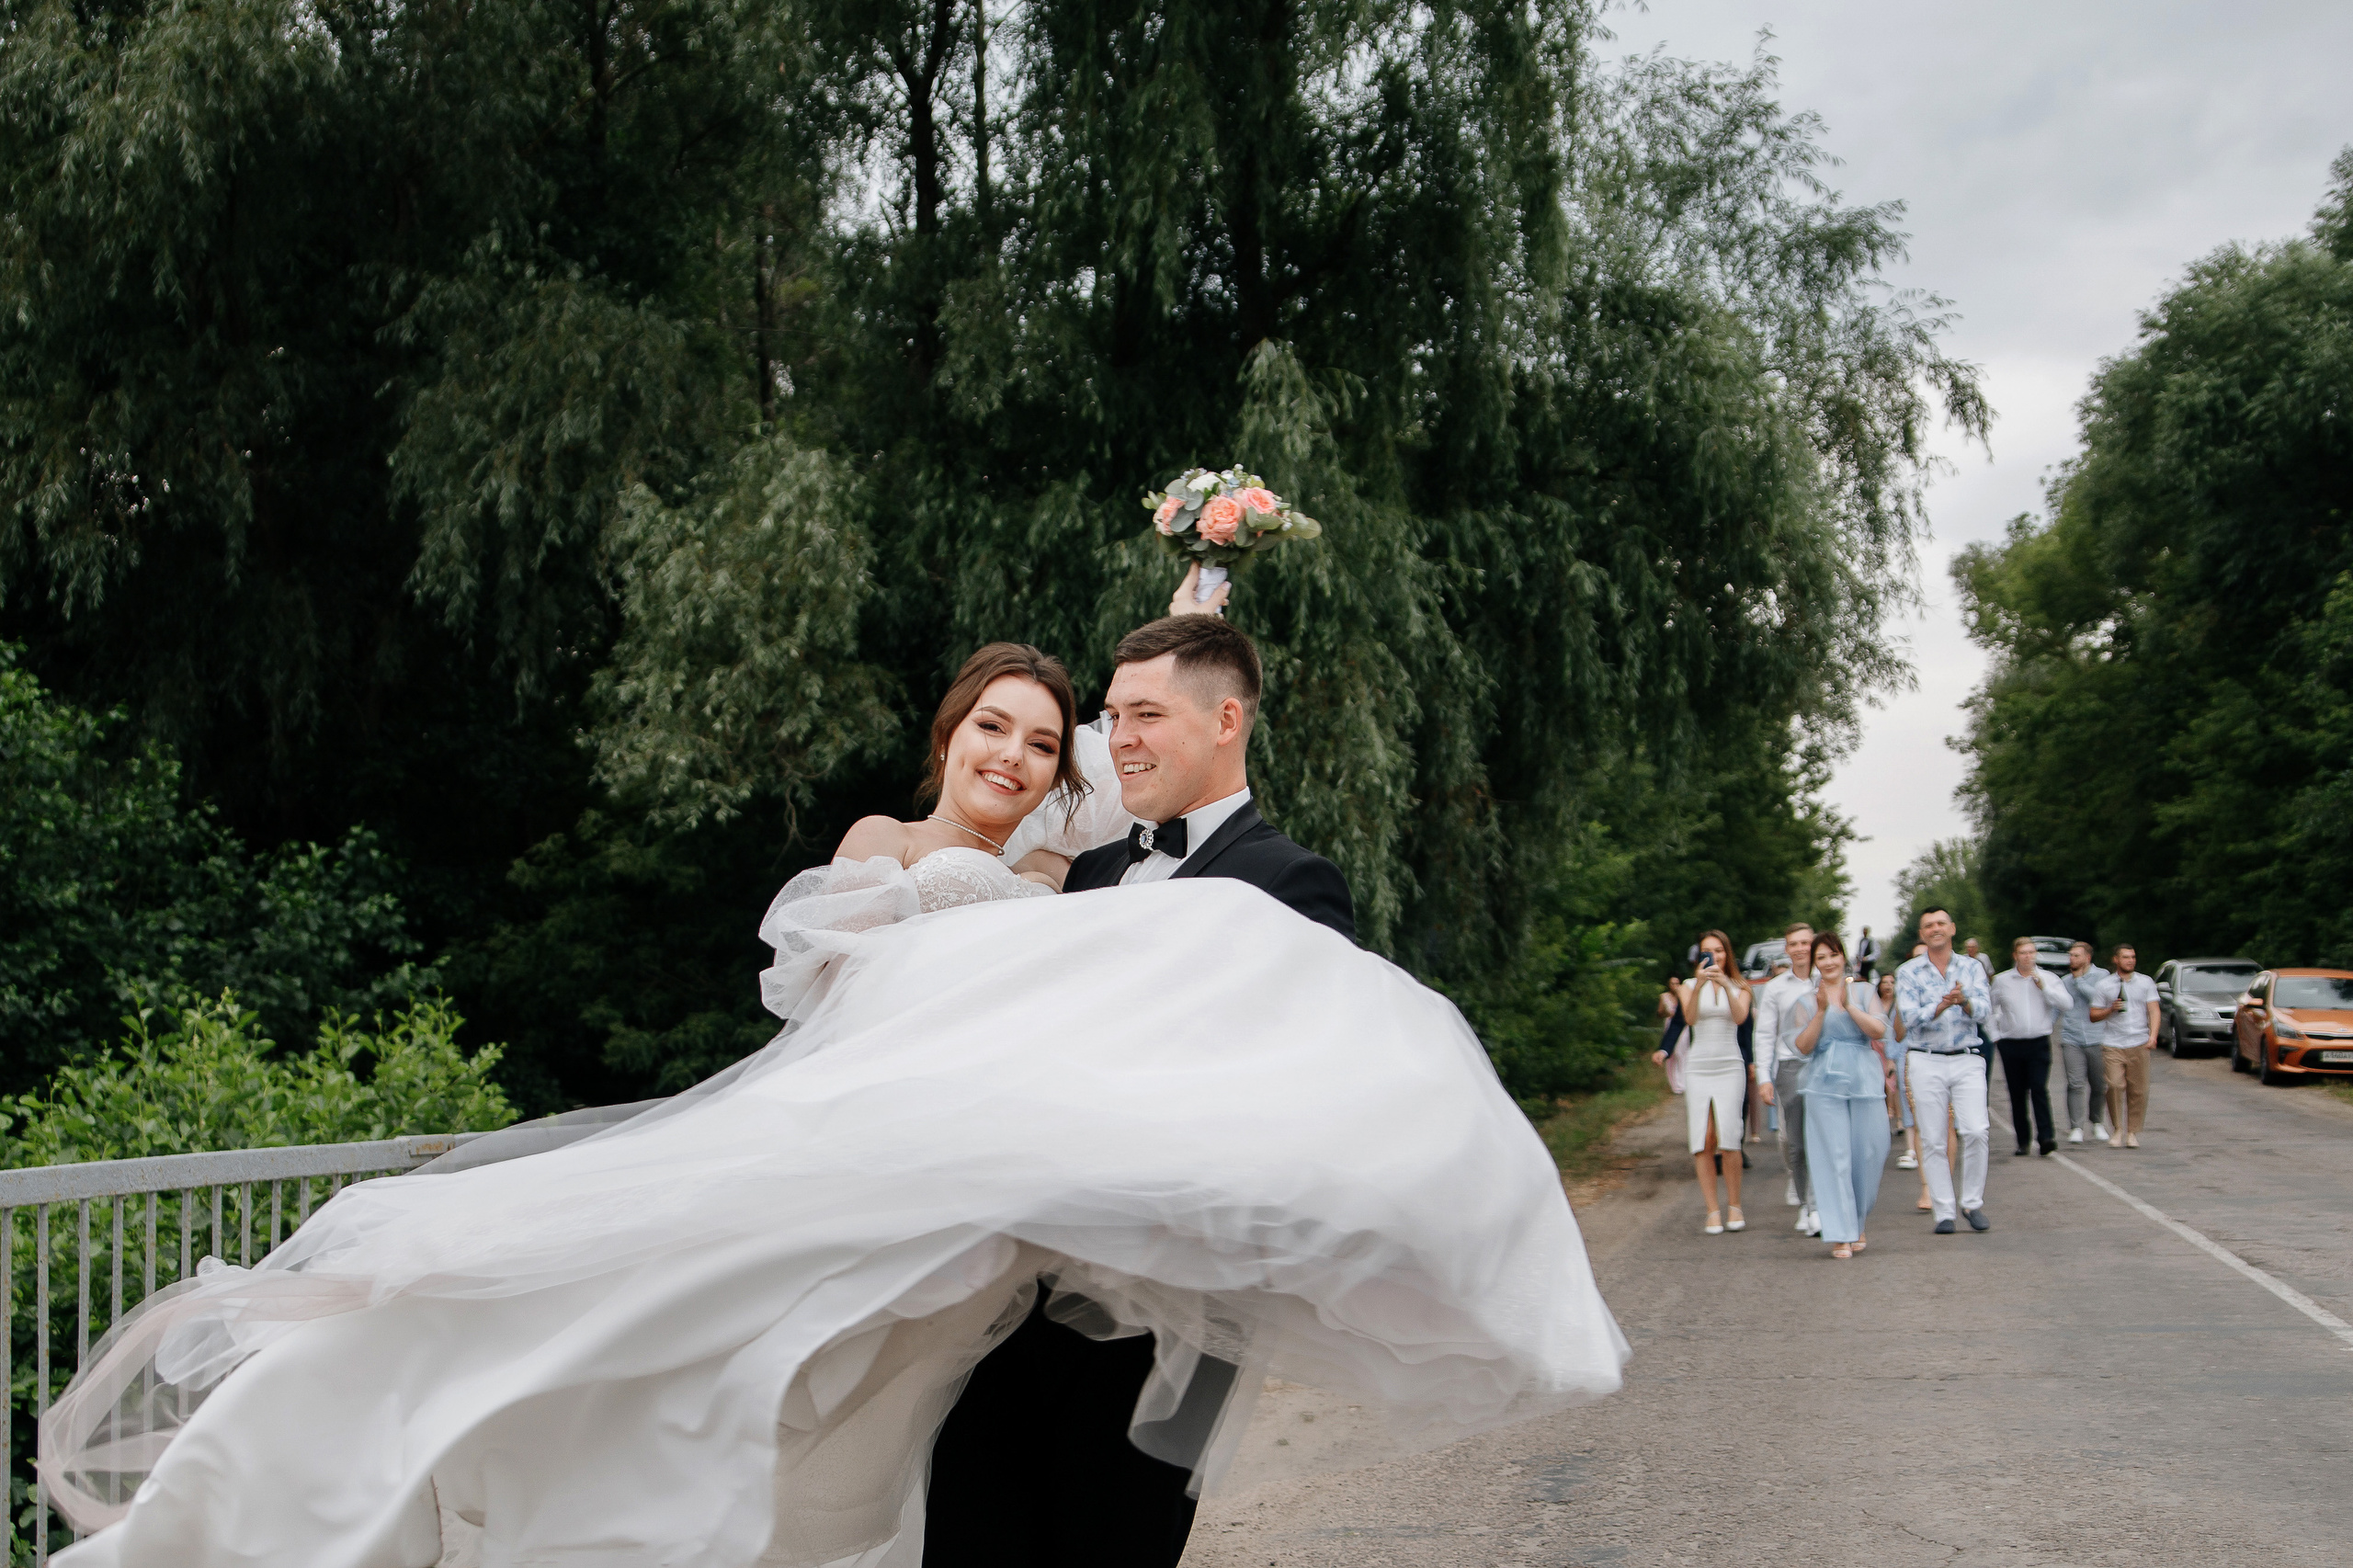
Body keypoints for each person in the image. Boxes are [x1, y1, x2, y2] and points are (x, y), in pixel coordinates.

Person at [40, 626, 1631, 1568]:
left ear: (1210, 726)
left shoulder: (1133, 881)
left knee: (885, 1463)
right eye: (1001, 728)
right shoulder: (899, 856)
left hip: (1045, 1262)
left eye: (1063, 733)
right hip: (884, 1183)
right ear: (951, 737)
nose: (1033, 752)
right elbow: (839, 1011)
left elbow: (1226, 1053)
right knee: (622, 1338)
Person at [926, 612, 1352, 1562]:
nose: (1117, 738)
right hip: (1009, 1292)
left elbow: (1297, 1101)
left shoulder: (1291, 882)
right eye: (1113, 713)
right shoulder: (1087, 872)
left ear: (1225, 720)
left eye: (1146, 714)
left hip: (1166, 1312)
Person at [1787, 933, 1893, 1260]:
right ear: (1814, 963)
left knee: (1870, 1152)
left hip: (1864, 1079)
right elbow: (1802, 1047)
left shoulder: (1862, 990)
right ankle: (1840, 1232)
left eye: (1833, 955)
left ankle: (1857, 1222)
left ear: (1843, 957)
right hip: (1823, 1084)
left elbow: (1878, 1030)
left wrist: (1848, 1005)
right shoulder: (1805, 1002)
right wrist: (1821, 1012)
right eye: (1821, 958)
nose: (1828, 962)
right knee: (1834, 1156)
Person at [1895, 906, 1993, 1234]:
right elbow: (1908, 1018)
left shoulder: (1972, 967)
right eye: (1928, 926)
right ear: (1922, 934)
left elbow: (1984, 1010)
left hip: (1966, 1056)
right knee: (1933, 1137)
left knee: (1976, 1129)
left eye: (1940, 923)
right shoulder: (1908, 972)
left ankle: (1972, 1202)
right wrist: (1940, 1005)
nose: (1935, 929)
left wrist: (1963, 1001)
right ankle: (1943, 1211)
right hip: (1926, 1057)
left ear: (1952, 928)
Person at [1653, 930, 1753, 1235]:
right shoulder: (1687, 986)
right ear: (1699, 956)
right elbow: (1691, 1018)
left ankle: (1734, 1205)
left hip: (1729, 1063)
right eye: (1708, 951)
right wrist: (1700, 985)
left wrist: (1724, 984)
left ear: (1727, 953)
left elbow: (1739, 1018)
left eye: (1719, 951)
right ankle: (1712, 1210)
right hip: (1699, 1066)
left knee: (1730, 1136)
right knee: (1703, 1138)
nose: (1715, 956)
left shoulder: (1741, 986)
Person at [1751, 921, 1821, 1236]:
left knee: (1825, 1137)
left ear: (1814, 944)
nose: (1800, 949)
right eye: (1794, 944)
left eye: (1806, 943)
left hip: (1827, 1064)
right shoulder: (1777, 987)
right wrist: (1764, 1077)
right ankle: (1806, 1205)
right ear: (1787, 949)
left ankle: (1820, 1205)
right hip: (1790, 1066)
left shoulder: (1828, 979)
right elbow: (1764, 1034)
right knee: (1796, 1143)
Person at [1989, 937, 2070, 1157]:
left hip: (2038, 1042)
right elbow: (1989, 1009)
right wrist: (1995, 1036)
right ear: (2015, 956)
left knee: (2038, 1088)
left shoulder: (2048, 978)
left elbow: (2066, 1004)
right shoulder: (2002, 981)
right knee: (2017, 1093)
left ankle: (2046, 1137)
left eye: (2031, 953)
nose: (2028, 957)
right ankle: (2022, 1140)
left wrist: (2044, 988)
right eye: (2023, 953)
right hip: (2011, 1043)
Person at [2089, 943, 2160, 1149]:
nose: (2130, 960)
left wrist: (2153, 1036)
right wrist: (2110, 1009)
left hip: (2138, 1041)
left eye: (2133, 957)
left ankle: (2132, 1132)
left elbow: (2154, 1010)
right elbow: (2093, 1015)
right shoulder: (2105, 985)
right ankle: (2118, 1128)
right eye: (2126, 957)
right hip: (2113, 1043)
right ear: (2116, 960)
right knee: (2114, 1085)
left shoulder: (2145, 982)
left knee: (2138, 1090)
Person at [1877, 972, 1928, 1208]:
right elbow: (1894, 1033)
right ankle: (1911, 1149)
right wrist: (1891, 1059)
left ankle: (1930, 1151)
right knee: (1909, 1104)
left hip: (1931, 1056)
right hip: (1905, 1055)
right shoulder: (1901, 1003)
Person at [2058, 941, 2111, 1144]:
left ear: (2088, 958)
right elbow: (2058, 1007)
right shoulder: (2064, 981)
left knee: (2099, 1085)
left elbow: (2098, 1000)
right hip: (2072, 1039)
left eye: (2076, 956)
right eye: (2071, 956)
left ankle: (2097, 1122)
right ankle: (2076, 1127)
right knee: (2075, 1084)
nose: (2072, 959)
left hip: (2097, 1037)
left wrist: (2079, 981)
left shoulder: (2103, 976)